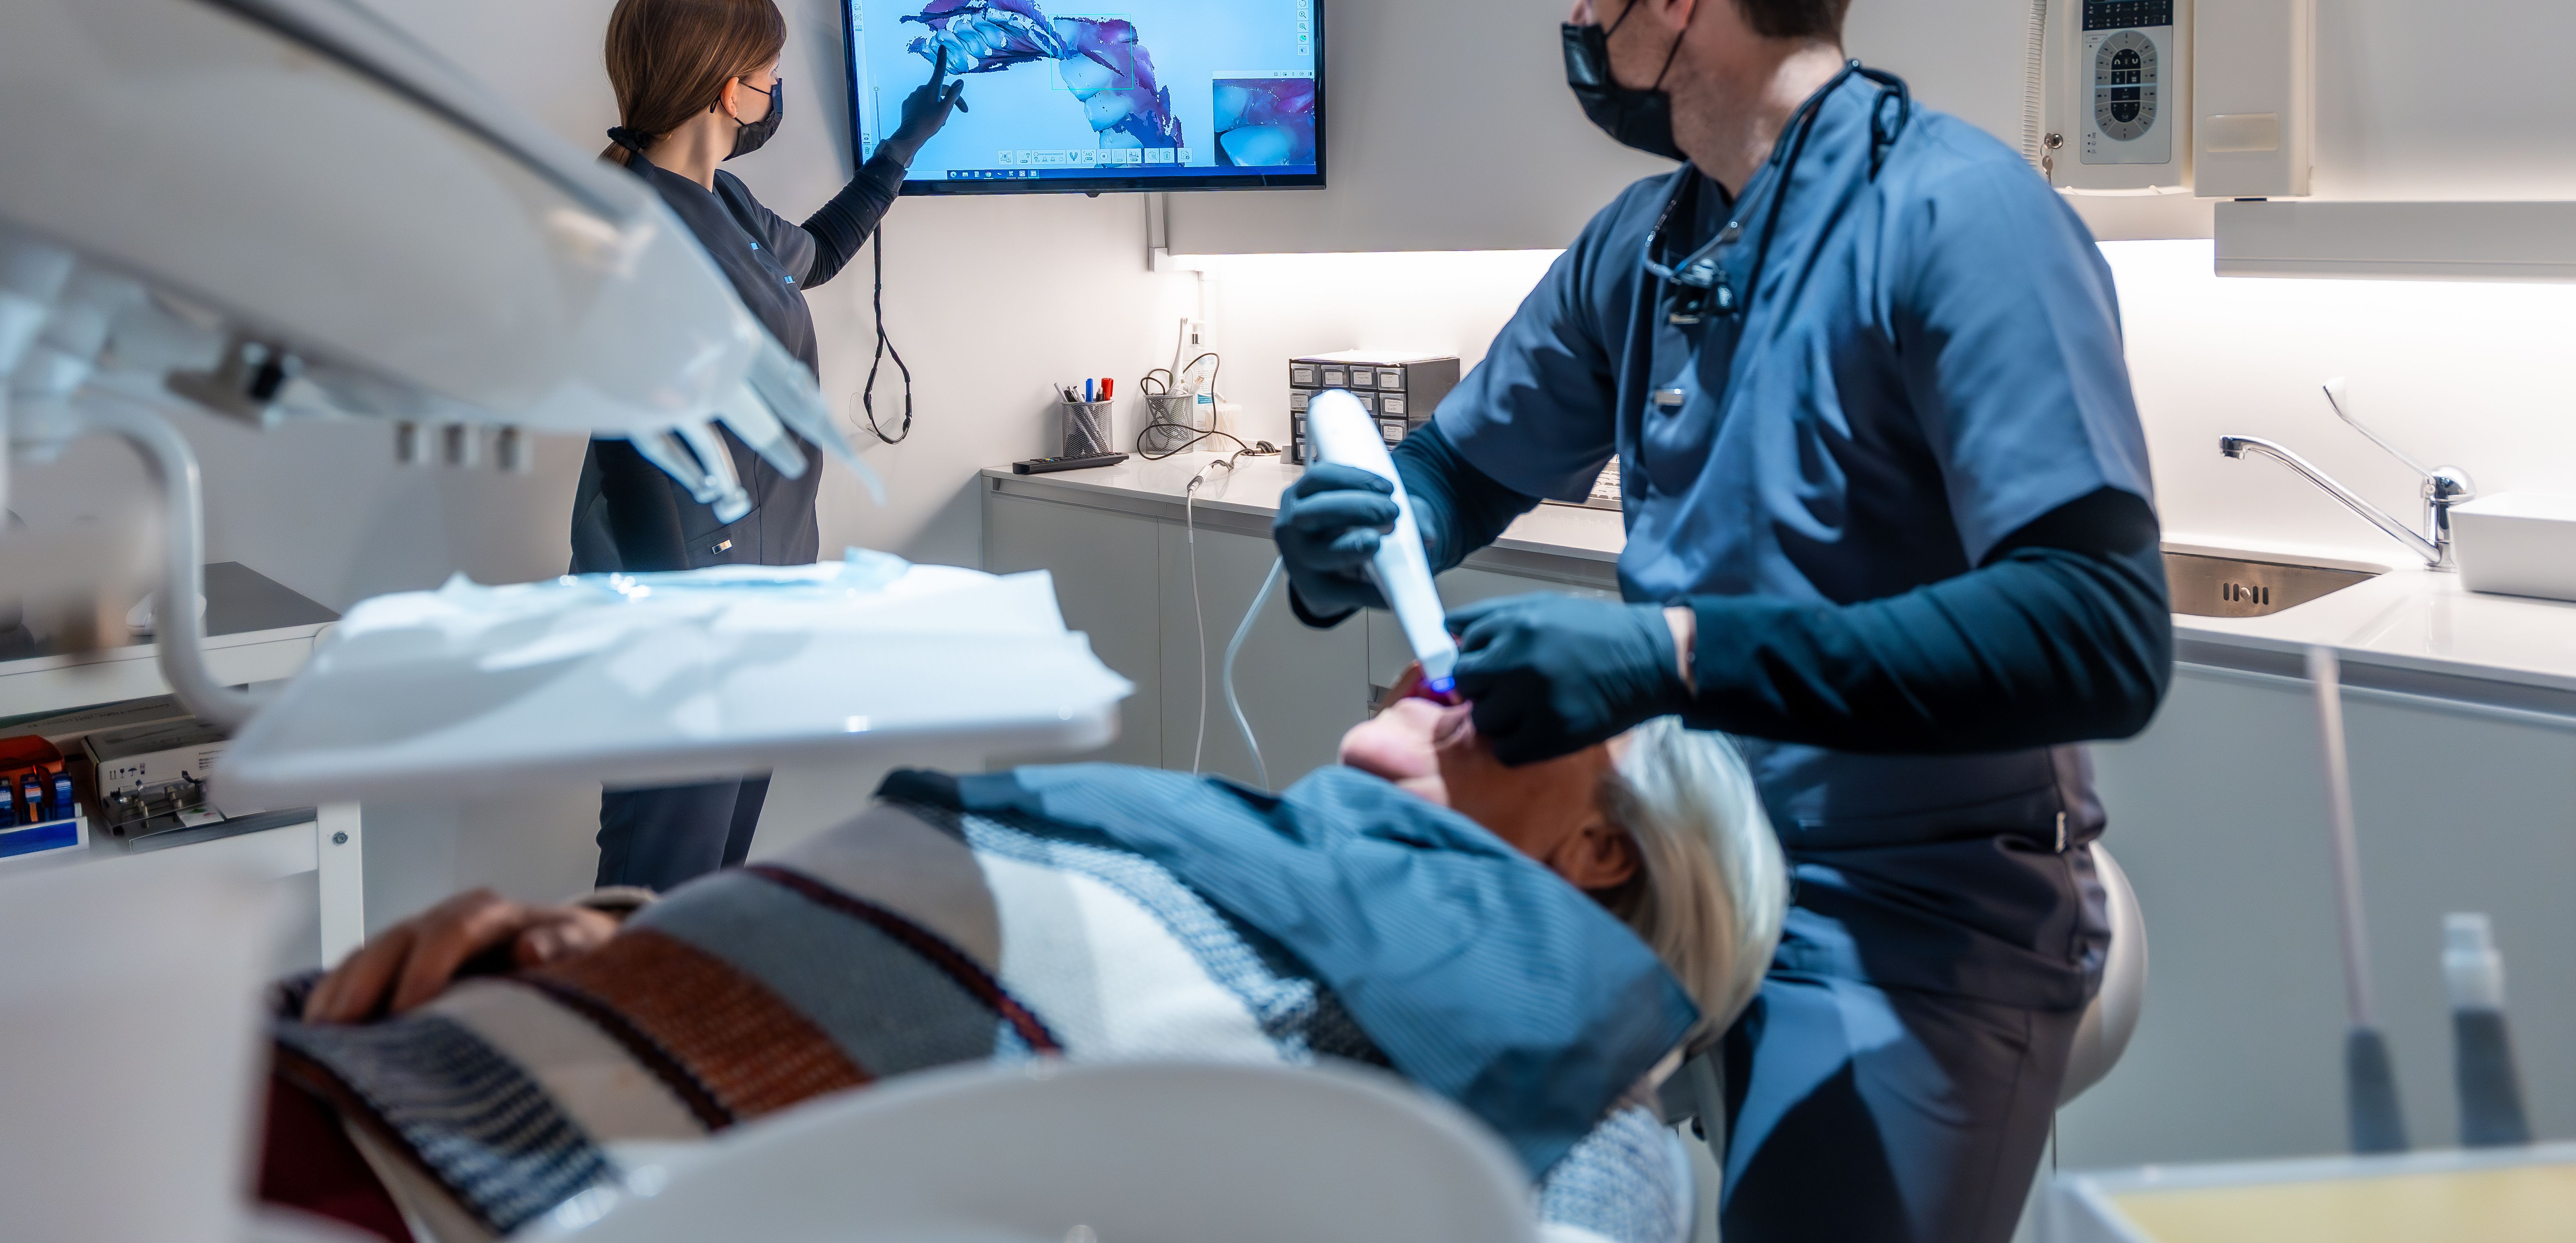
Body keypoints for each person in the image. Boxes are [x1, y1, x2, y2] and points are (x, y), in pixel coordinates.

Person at [1272, 0, 2173, 1241]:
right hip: (1674, 875)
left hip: (1899, 917)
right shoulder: (1648, 243)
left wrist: (1670, 657)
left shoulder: (1954, 219)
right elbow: (1456, 472)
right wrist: (1363, 533)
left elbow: (2096, 632)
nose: (1576, 24)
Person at [254, 682, 1791, 1243]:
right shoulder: (1284, 877)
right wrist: (616, 934)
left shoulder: (1576, 1105)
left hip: (435, 1184)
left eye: (1556, 687)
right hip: (396, 1067)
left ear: (1606, 847)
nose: (1478, 657)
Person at [570, 0, 960, 892]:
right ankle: (604, 1033)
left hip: (758, 600)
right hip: (685, 617)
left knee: (708, 885)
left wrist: (902, 144)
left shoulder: (729, 205)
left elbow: (817, 254)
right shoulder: (636, 227)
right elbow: (633, 445)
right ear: (725, 84)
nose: (774, 91)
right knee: (652, 890)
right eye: (770, 71)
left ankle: (678, 1032)